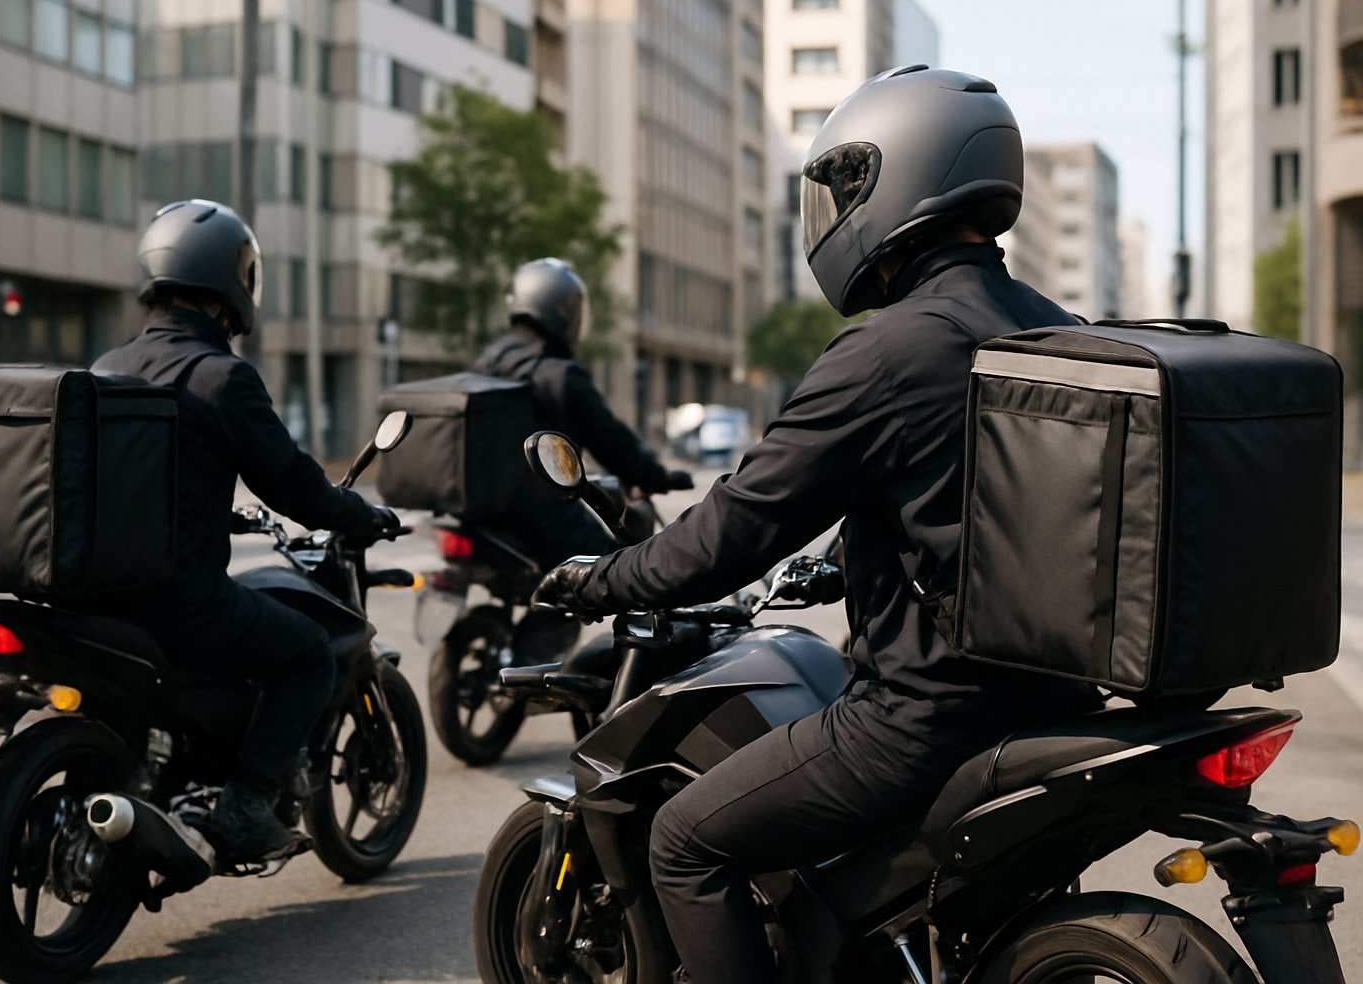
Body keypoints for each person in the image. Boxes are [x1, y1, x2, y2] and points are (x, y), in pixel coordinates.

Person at [532, 66, 1105, 981]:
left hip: (922, 721)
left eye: (846, 185)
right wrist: (850, 555)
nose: (836, 210)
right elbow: (984, 501)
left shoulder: (884, 351)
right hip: (1057, 705)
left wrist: (602, 578)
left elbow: (730, 535)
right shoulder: (1059, 332)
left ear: (897, 174)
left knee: (683, 840)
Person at [92, 199, 398, 860]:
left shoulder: (105, 367)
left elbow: (138, 478)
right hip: (179, 605)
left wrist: (214, 508)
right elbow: (292, 483)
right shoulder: (222, 377)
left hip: (97, 597)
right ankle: (245, 805)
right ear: (233, 284)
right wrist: (363, 515)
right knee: (307, 652)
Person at [472, 257, 692, 564]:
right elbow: (610, 439)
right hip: (540, 513)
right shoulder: (560, 374)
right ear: (559, 310)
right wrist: (656, 475)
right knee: (615, 571)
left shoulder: (488, 363)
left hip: (482, 512)